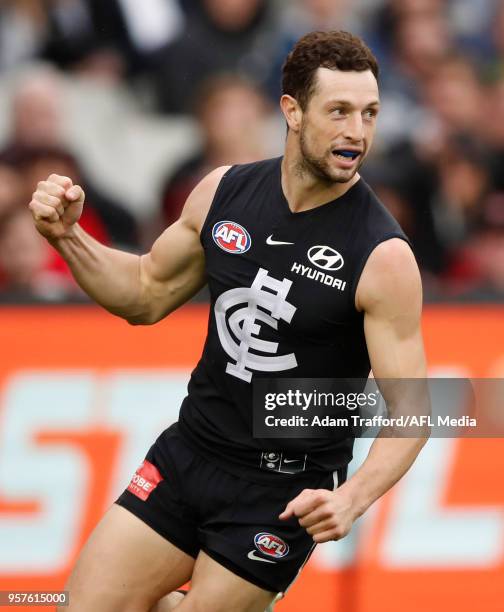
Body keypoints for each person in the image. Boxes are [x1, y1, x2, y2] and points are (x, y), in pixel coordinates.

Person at [29, 31, 428, 612]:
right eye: (338, 111)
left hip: (281, 491)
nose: (357, 133)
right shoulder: (224, 191)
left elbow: (415, 408)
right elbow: (144, 293)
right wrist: (67, 237)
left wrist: (353, 498)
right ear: (291, 110)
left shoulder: (383, 255)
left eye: (369, 114)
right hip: (189, 453)